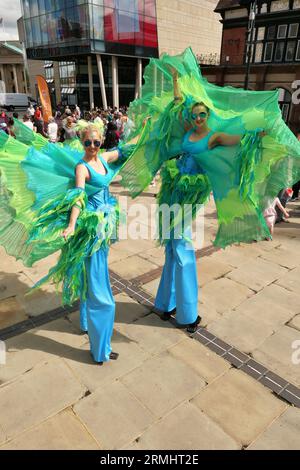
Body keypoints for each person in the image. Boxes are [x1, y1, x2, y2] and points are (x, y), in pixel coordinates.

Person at [117, 47, 300, 332]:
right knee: (176, 249)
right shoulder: (184, 134)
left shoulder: (214, 137)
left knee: (180, 248)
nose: (198, 118)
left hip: (190, 196)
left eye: (202, 114)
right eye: (195, 114)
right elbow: (178, 105)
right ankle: (175, 310)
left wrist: (260, 131)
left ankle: (175, 308)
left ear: (207, 115)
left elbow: (237, 137)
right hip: (172, 192)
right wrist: (177, 81)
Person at [0, 120, 134, 364]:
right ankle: (100, 350)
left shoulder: (104, 158)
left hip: (102, 230)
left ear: (101, 141)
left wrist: (147, 130)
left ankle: (85, 323)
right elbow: (78, 198)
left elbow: (125, 150)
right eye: (87, 142)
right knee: (101, 293)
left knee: (90, 278)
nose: (92, 146)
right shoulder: (82, 168)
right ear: (82, 142)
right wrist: (72, 225)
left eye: (95, 142)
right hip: (90, 232)